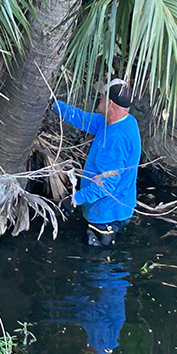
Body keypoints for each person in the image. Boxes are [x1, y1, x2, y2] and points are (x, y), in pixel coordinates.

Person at [54, 79, 141, 247]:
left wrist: (74, 200)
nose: (99, 98)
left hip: (106, 214)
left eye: (102, 96)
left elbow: (105, 186)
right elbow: (82, 119)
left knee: (97, 257)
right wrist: (54, 105)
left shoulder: (114, 141)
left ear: (109, 102)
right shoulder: (125, 121)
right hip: (120, 206)